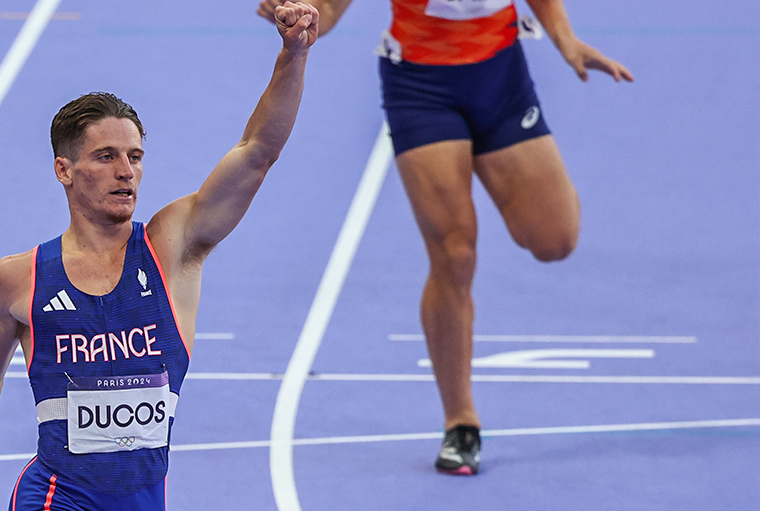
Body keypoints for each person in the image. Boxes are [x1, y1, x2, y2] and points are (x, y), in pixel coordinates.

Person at [0, 4, 319, 511]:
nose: (126, 170)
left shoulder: (173, 250)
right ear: (64, 171)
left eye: (134, 156)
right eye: (106, 156)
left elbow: (256, 152)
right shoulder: (19, 278)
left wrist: (293, 54)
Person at [257, 0, 632, 475]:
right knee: (454, 253)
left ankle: (517, 169)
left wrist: (564, 38)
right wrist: (297, 18)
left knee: (555, 238)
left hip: (500, 74)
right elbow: (327, 11)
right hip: (419, 84)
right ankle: (461, 421)